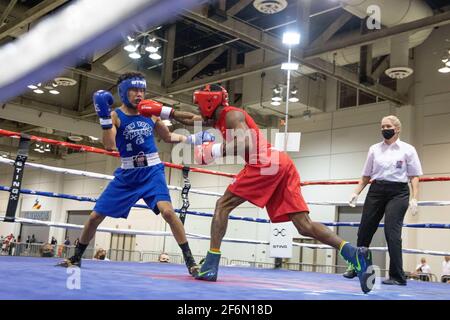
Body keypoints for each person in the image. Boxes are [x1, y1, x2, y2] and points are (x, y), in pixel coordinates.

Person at [140, 84, 374, 294]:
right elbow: (191, 118)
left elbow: (246, 143)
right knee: (304, 226)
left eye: (200, 104)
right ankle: (353, 252)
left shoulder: (232, 116)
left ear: (208, 102)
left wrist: (212, 151)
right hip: (281, 163)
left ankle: (211, 265)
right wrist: (161, 110)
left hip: (264, 163)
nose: (198, 109)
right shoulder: (220, 116)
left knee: (223, 205)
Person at [57, 72, 213, 276]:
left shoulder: (150, 111)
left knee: (168, 212)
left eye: (141, 90)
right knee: (95, 216)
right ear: (123, 92)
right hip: (127, 174)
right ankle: (76, 257)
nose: (139, 94)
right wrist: (104, 120)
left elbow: (167, 137)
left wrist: (193, 139)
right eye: (134, 90)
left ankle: (190, 262)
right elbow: (109, 145)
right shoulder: (114, 116)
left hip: (152, 171)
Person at [344, 115, 422, 286]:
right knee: (364, 229)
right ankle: (357, 268)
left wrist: (415, 198)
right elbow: (366, 175)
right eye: (382, 126)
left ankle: (397, 276)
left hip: (398, 192)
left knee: (392, 233)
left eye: (387, 126)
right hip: (376, 190)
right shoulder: (374, 149)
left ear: (397, 128)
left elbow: (414, 176)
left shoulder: (408, 150)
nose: (384, 129)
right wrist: (355, 192)